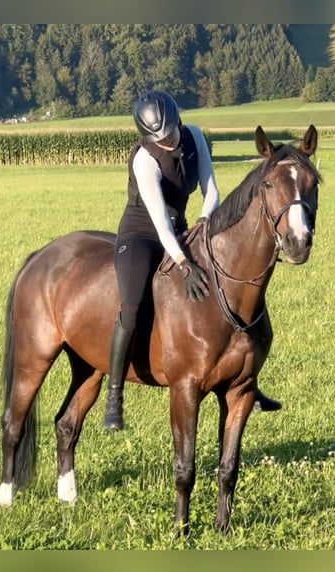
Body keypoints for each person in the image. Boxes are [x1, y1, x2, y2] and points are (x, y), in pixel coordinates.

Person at [103, 89, 282, 431]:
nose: (168, 140)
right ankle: (114, 397)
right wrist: (184, 263)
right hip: (143, 234)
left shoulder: (195, 136)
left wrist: (204, 222)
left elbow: (211, 189)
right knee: (132, 303)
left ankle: (248, 382)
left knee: (230, 286)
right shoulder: (144, 159)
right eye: (160, 136)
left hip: (186, 227)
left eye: (170, 131)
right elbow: (159, 222)